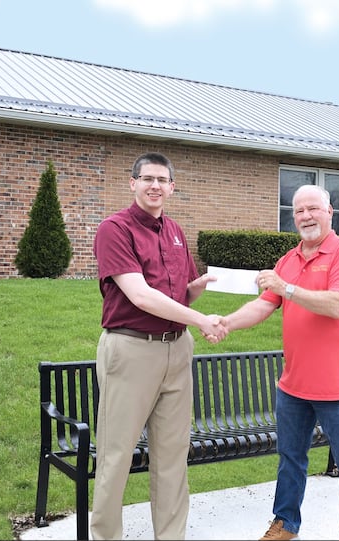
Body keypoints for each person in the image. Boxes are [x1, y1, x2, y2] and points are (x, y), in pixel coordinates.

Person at [220, 184, 339, 540]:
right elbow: (263, 305)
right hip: (293, 385)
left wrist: (287, 288)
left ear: (330, 212)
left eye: (313, 209)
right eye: (299, 210)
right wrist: (227, 321)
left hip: (336, 384)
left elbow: (336, 305)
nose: (306, 216)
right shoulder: (287, 261)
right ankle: (285, 524)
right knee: (291, 459)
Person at [90, 151, 228, 540]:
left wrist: (194, 292)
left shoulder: (176, 232)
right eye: (146, 178)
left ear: (171, 186)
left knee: (172, 458)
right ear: (132, 183)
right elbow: (140, 296)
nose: (155, 186)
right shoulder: (114, 229)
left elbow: (177, 296)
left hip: (177, 350)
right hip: (131, 350)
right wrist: (201, 320)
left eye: (162, 180)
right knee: (116, 457)